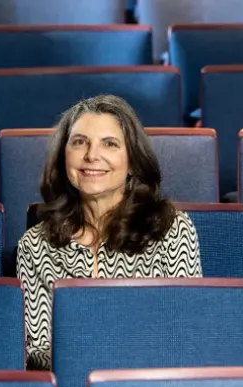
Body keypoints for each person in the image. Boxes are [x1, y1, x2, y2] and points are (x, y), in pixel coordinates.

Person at [17, 95, 203, 370]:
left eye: (110, 144)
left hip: (155, 385)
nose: (92, 155)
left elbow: (187, 330)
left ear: (132, 162)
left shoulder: (171, 229)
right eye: (79, 142)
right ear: (62, 155)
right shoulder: (34, 245)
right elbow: (37, 349)